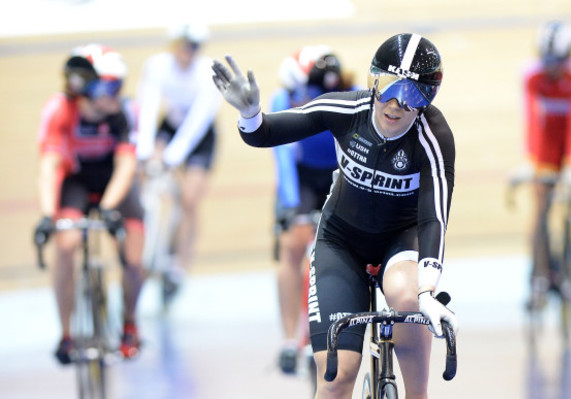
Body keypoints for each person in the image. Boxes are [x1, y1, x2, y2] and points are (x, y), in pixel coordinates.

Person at [213, 33, 459, 398]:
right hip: (341, 242)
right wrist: (249, 115)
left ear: (428, 100)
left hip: (401, 241)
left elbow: (434, 217)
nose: (396, 104)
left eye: (414, 95)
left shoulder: (433, 138)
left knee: (407, 298)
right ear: (373, 80)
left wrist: (427, 290)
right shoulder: (346, 110)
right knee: (336, 378)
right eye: (390, 87)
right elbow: (264, 132)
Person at [34, 44, 146, 363]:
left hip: (116, 184)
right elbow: (50, 166)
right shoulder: (59, 110)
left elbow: (126, 167)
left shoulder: (124, 112)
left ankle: (130, 323)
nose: (118, 93)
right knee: (66, 244)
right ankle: (67, 333)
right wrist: (46, 214)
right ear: (92, 88)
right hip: (78, 182)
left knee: (134, 259)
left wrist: (110, 207)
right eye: (113, 87)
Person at [270, 45, 357, 374]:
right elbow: (282, 156)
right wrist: (291, 208)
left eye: (299, 94)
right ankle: (290, 338)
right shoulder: (282, 99)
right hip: (302, 178)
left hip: (341, 172)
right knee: (291, 245)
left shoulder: (349, 98)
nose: (294, 100)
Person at [512, 20, 571, 308]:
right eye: (547, 61)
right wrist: (530, 160)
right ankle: (540, 274)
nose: (551, 68)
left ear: (568, 57)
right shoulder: (530, 74)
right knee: (540, 204)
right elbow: (529, 119)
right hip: (550, 142)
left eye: (557, 62)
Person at [135, 22, 222, 300]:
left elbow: (197, 122)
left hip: (200, 135)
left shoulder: (207, 72)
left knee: (189, 199)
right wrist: (145, 149)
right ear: (174, 46)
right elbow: (147, 107)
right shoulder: (157, 65)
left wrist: (173, 156)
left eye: (194, 47)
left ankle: (179, 265)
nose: (189, 51)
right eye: (184, 45)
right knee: (146, 176)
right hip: (170, 125)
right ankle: (148, 247)